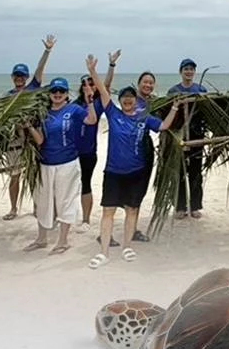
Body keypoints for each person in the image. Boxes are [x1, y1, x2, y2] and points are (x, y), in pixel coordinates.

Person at [86, 57, 180, 270]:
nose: (128, 100)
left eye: (131, 98)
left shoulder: (144, 118)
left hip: (136, 171)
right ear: (120, 100)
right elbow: (102, 89)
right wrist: (93, 71)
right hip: (113, 172)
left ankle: (127, 246)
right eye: (125, 97)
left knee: (132, 209)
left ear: (136, 101)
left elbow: (164, 126)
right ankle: (104, 253)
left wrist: (174, 108)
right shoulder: (113, 113)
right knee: (108, 211)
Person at [20, 73, 98, 255]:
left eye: (61, 90)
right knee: (43, 201)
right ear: (49, 93)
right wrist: (28, 126)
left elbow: (92, 120)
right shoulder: (43, 113)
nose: (57, 93)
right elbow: (39, 141)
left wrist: (90, 101)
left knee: (65, 201)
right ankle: (41, 238)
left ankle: (63, 241)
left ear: (66, 93)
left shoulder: (74, 110)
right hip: (45, 163)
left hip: (68, 163)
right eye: (54, 90)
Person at [3, 35, 56, 222]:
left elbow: (39, 70)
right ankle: (13, 208)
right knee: (14, 176)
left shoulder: (32, 89)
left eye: (22, 76)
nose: (19, 78)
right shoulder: (7, 96)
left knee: (33, 175)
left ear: (26, 78)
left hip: (33, 139)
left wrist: (47, 51)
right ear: (12, 77)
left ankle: (35, 206)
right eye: (16, 76)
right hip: (15, 141)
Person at [73, 54, 117, 232]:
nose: (89, 87)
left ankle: (85, 219)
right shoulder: (73, 104)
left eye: (92, 84)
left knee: (85, 183)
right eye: (86, 84)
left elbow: (104, 86)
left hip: (88, 152)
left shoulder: (97, 105)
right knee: (66, 186)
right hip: (70, 152)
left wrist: (111, 65)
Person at [168, 58, 208, 219]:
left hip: (197, 135)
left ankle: (195, 207)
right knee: (179, 172)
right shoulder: (173, 91)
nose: (189, 72)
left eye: (191, 69)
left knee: (196, 171)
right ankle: (180, 207)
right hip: (179, 135)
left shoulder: (201, 89)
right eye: (186, 69)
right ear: (181, 71)